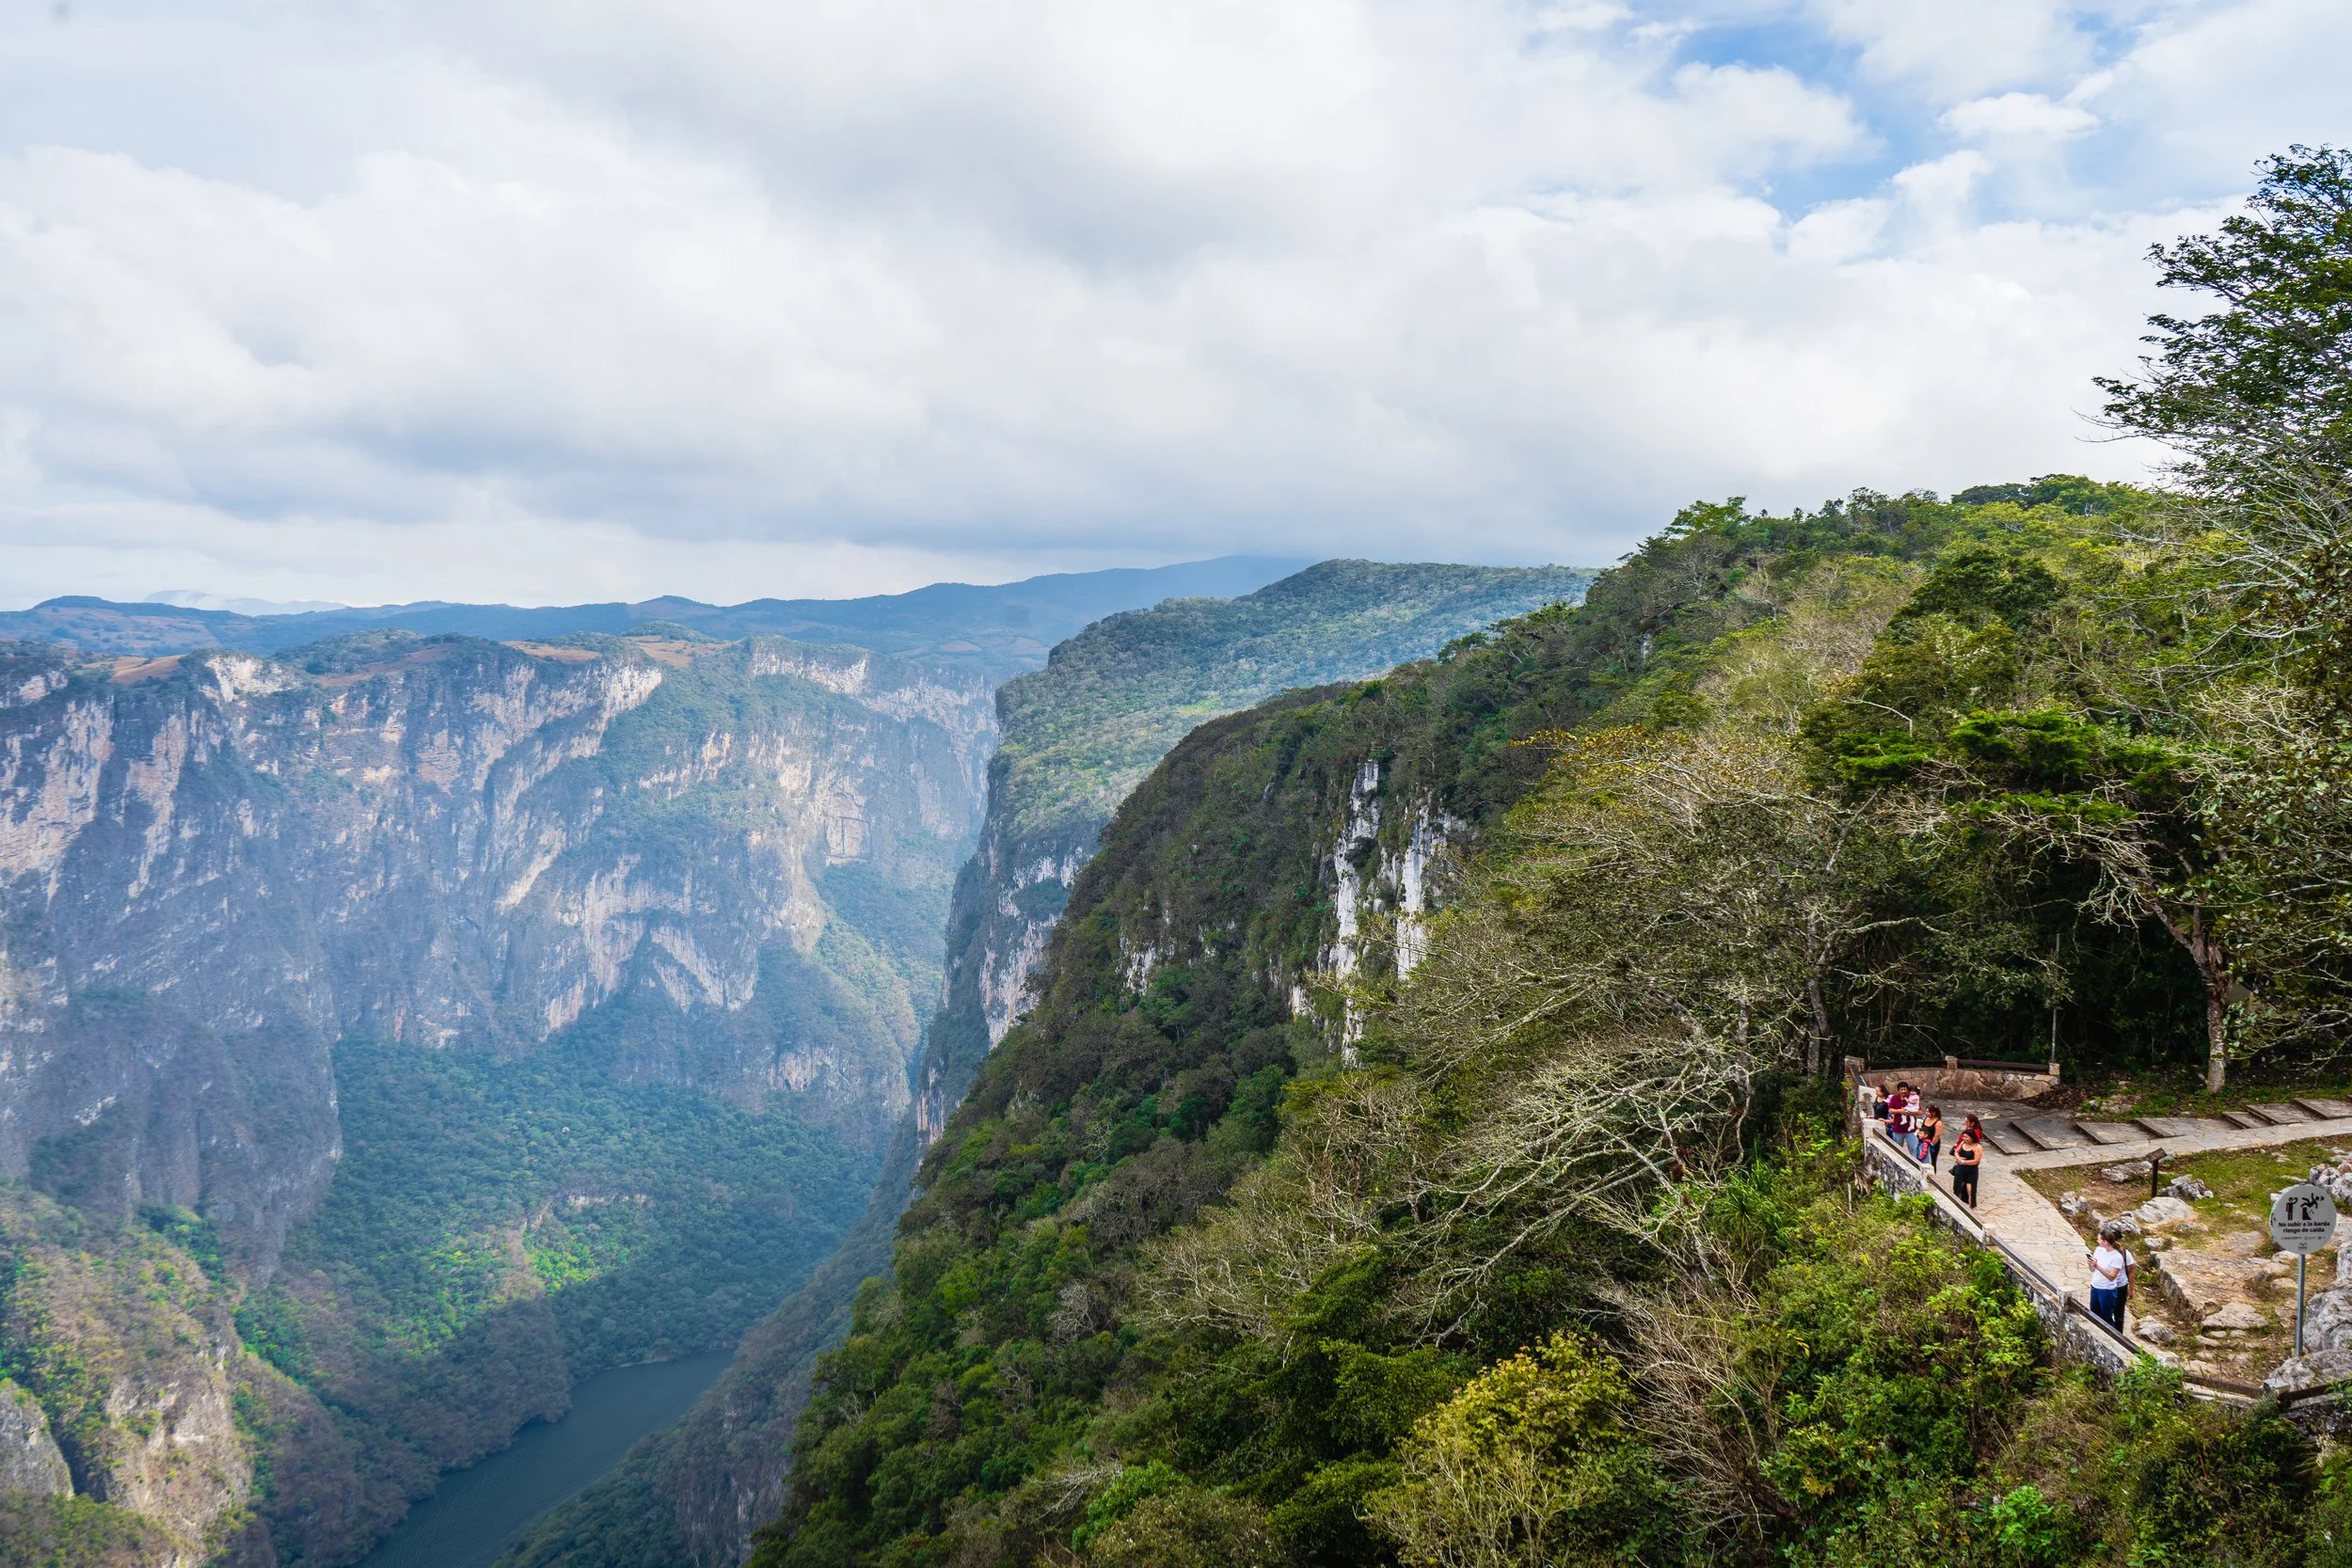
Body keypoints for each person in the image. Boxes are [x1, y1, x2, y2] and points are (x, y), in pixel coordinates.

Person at [2089, 1220, 2134, 1335]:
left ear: (2106, 1241)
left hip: (2113, 1288)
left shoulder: (2120, 1255)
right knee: (2095, 1312)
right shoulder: (2099, 1250)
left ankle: (2117, 1337)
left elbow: (2119, 1275)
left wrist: (2131, 1289)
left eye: (2099, 1238)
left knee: (2112, 1315)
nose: (2097, 1240)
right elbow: (2093, 1270)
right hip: (2097, 1286)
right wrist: (2092, 1265)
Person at [1950, 1117, 1982, 1209]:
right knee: (1957, 1186)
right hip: (1961, 1169)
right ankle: (1956, 1204)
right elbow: (1956, 1151)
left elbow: (1976, 1161)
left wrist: (1963, 1162)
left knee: (1970, 1189)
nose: (1964, 1138)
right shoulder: (1963, 1143)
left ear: (1972, 1138)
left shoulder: (1977, 1147)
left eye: (1966, 1137)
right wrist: (1958, 1158)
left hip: (1971, 1170)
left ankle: (1971, 1207)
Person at [1918, 1104, 1944, 1171]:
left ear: (1934, 1113)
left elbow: (1937, 1136)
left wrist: (1930, 1145)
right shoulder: (1926, 1118)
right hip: (1922, 1142)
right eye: (1926, 1111)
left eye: (1929, 1112)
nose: (1927, 1113)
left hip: (1931, 1144)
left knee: (1932, 1160)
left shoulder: (1938, 1123)